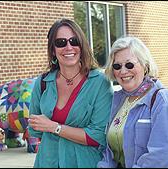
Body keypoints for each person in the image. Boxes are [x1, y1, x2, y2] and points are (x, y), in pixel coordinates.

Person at [97, 36, 168, 168]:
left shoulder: (164, 101)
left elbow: (163, 155)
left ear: (145, 65)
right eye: (117, 66)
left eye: (129, 64)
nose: (123, 71)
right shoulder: (118, 100)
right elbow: (110, 153)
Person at [28, 18, 113, 168]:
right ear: (53, 49)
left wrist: (55, 127)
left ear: (82, 45)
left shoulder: (100, 82)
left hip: (86, 163)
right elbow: (35, 129)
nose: (69, 47)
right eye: (61, 42)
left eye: (74, 41)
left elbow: (99, 136)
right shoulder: (42, 83)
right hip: (47, 162)